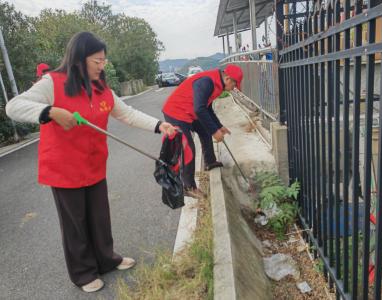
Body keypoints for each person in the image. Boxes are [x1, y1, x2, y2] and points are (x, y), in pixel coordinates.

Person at [5, 32, 175, 293]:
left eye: (104, 60)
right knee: (76, 222)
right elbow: (14, 106)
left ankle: (107, 259)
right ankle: (83, 273)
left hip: (94, 165)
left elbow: (126, 113)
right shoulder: (53, 83)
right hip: (63, 169)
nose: (102, 65)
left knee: (99, 217)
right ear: (79, 59)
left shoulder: (101, 88)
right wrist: (49, 111)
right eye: (97, 60)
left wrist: (158, 125)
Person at [162, 64, 243, 199]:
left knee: (205, 131)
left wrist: (218, 126)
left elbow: (207, 108)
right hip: (176, 112)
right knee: (188, 148)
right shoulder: (208, 82)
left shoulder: (217, 84)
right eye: (234, 85)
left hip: (190, 111)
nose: (233, 89)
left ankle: (210, 162)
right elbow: (200, 109)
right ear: (228, 79)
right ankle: (188, 187)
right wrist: (214, 132)